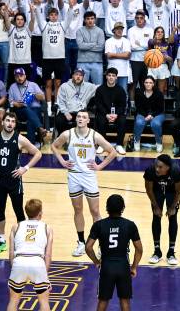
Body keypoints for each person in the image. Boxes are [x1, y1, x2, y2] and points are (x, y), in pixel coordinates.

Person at [51, 109, 118, 257]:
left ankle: (101, 244)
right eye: (79, 116)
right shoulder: (67, 134)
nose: (81, 119)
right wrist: (62, 161)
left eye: (84, 117)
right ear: (76, 119)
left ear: (88, 120)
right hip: (74, 176)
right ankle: (81, 242)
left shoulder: (94, 135)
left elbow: (112, 151)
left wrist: (100, 166)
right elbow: (54, 146)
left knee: (95, 211)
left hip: (89, 176)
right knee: (78, 210)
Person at [0, 111, 42, 256]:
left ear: (15, 124)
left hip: (14, 180)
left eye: (13, 121)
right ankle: (1, 241)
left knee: (19, 212)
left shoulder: (20, 139)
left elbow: (38, 153)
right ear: (3, 122)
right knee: (0, 211)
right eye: (8, 121)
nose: (10, 123)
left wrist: (25, 168)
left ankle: (23, 241)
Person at [84, 194, 143, 311]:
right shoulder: (130, 225)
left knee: (103, 300)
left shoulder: (99, 225)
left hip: (106, 266)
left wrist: (96, 261)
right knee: (125, 300)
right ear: (123, 208)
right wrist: (134, 267)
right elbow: (139, 249)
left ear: (107, 208)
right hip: (123, 266)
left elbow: (88, 247)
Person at [6, 198, 54, 311]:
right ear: (40, 213)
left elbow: (11, 253)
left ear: (26, 212)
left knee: (13, 300)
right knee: (44, 301)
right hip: (37, 262)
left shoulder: (16, 227)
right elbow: (48, 255)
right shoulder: (47, 228)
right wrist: (45, 275)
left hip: (19, 261)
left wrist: (16, 269)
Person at [143, 154, 180, 266]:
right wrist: (156, 206)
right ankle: (157, 251)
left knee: (173, 217)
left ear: (167, 167)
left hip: (172, 191)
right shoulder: (151, 170)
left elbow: (179, 192)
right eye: (156, 166)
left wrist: (172, 207)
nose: (157, 169)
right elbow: (149, 190)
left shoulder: (175, 171)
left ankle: (171, 252)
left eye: (160, 167)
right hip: (156, 191)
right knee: (156, 216)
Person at [92, 67, 129, 154]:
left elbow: (123, 105)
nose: (111, 77)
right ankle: (102, 144)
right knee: (100, 120)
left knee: (123, 120)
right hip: (104, 113)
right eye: (109, 75)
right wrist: (106, 114)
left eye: (113, 76)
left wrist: (116, 114)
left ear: (116, 77)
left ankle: (119, 144)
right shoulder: (100, 89)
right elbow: (98, 104)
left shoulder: (120, 90)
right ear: (106, 77)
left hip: (117, 113)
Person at [133, 76, 165, 153]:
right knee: (139, 122)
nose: (148, 84)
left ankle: (159, 142)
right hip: (142, 113)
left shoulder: (159, 94)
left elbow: (160, 109)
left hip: (157, 114)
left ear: (153, 84)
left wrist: (152, 115)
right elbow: (138, 108)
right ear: (143, 84)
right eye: (146, 82)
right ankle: (136, 141)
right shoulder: (139, 93)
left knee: (155, 123)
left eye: (150, 83)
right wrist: (145, 115)